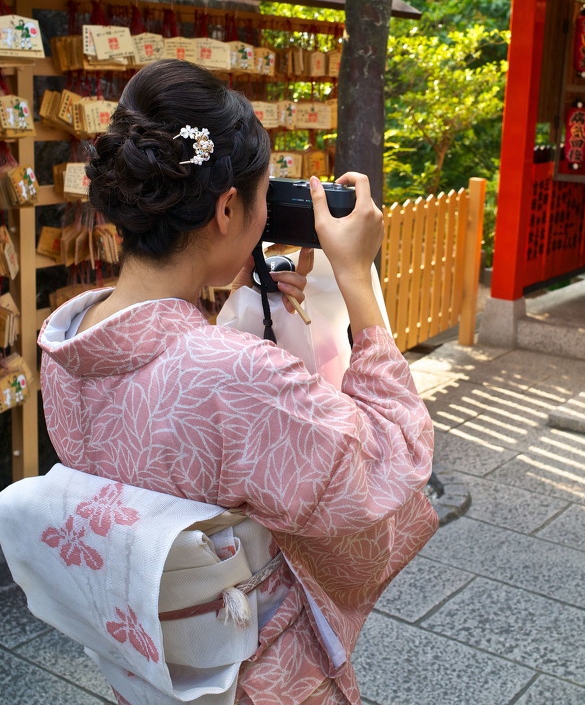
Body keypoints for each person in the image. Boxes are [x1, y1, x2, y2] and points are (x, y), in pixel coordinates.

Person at [36, 59, 437, 703]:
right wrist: (356, 280)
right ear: (227, 208)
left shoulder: (69, 340)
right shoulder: (238, 374)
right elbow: (392, 459)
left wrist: (248, 310)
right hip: (255, 675)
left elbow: (181, 398)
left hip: (147, 664)